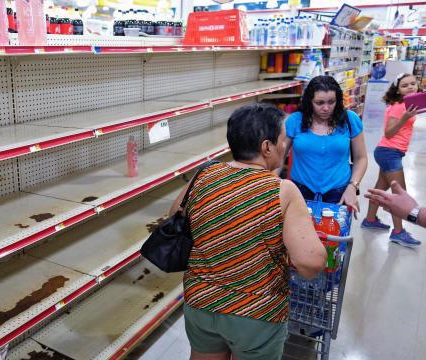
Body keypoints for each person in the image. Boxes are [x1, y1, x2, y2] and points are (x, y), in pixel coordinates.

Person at [170, 103, 327, 360]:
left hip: (200, 302)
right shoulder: (282, 190)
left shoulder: (206, 174)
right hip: (255, 311)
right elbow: (311, 261)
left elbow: (175, 217)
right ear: (267, 147)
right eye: (282, 140)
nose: (285, 146)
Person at [281, 75, 368, 216]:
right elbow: (279, 157)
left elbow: (361, 158)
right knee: (299, 236)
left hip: (340, 194)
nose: (326, 108)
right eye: (319, 103)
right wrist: (270, 188)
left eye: (331, 102)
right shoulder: (295, 121)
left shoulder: (350, 120)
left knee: (335, 236)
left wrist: (352, 187)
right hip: (300, 193)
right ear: (310, 101)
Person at [362, 73, 420, 247]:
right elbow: (388, 132)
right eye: (405, 85)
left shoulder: (407, 104)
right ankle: (398, 232)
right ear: (397, 89)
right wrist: (404, 118)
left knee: (381, 189)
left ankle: (370, 220)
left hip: (389, 152)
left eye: (413, 84)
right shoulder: (399, 106)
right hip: (389, 152)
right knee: (400, 194)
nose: (410, 87)